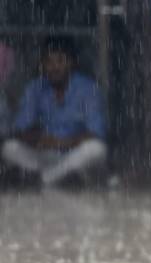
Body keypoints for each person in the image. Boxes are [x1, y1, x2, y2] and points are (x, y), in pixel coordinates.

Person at [1, 36, 106, 186]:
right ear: (42, 64)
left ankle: (45, 179)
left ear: (72, 63)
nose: (54, 67)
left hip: (73, 154)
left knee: (97, 149)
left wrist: (63, 143)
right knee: (9, 148)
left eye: (60, 61)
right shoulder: (35, 88)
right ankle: (59, 176)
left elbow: (96, 133)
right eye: (49, 62)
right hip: (44, 155)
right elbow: (20, 129)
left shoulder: (88, 89)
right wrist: (39, 139)